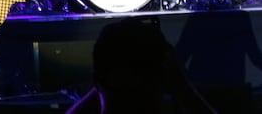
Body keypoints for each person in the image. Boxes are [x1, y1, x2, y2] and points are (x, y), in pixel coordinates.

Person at [65, 16, 219, 114]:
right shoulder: (166, 79)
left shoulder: (103, 79)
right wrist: (177, 80)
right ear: (162, 77)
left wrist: (103, 73)